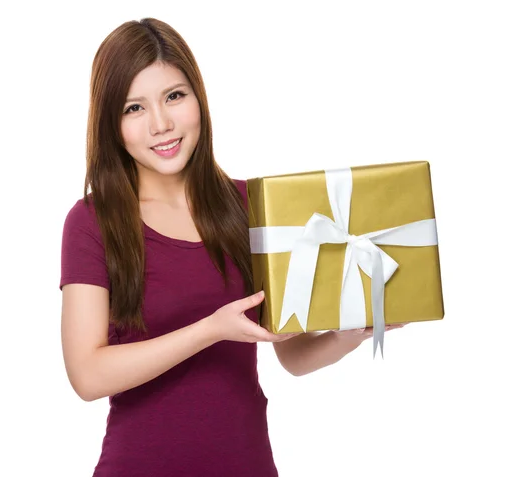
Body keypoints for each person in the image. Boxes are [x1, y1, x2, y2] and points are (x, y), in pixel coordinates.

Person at [59, 18, 404, 477]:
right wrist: (210, 330)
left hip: (246, 464)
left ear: (198, 97)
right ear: (111, 123)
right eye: (134, 108)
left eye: (174, 97)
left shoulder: (251, 207)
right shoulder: (92, 222)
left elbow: (291, 354)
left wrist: (347, 334)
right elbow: (87, 375)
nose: (161, 124)